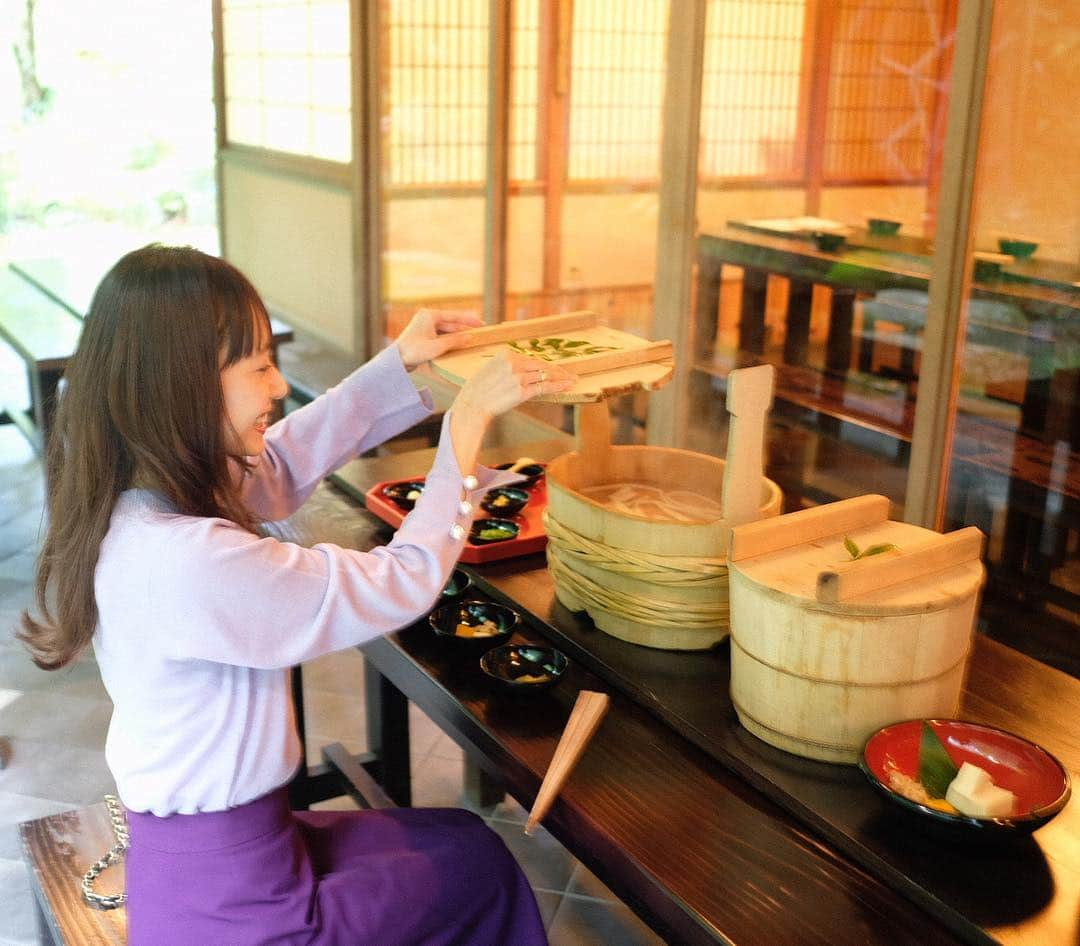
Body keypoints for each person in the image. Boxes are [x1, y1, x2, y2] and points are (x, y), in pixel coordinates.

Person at [20, 244, 575, 946]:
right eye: (258, 367)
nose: (278, 387)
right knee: (478, 867)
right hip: (237, 910)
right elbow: (402, 580)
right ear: (184, 384)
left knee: (455, 837)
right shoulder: (184, 559)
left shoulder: (138, 500)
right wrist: (463, 430)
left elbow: (276, 463)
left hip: (207, 860)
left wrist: (398, 364)